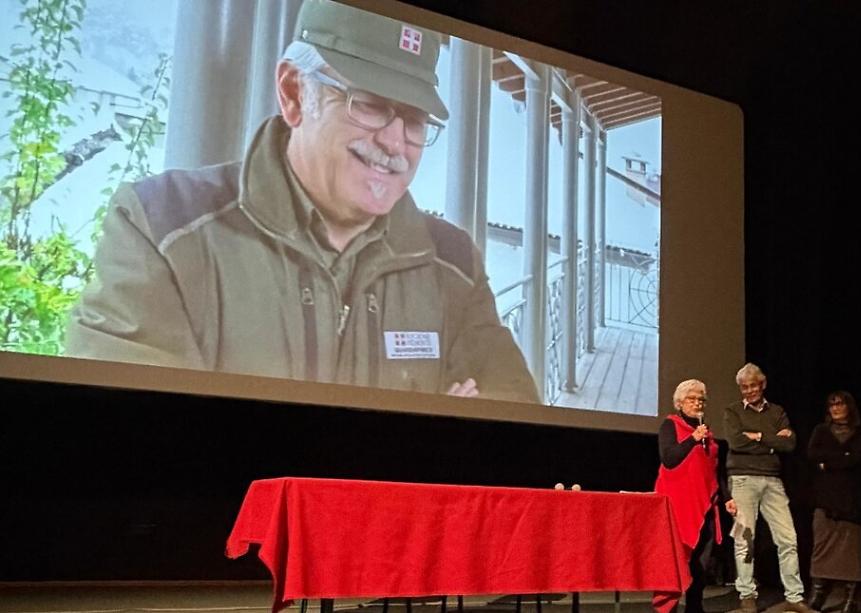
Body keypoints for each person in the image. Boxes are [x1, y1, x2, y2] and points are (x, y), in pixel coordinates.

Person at [64, 0, 539, 403]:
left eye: (415, 120)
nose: (396, 141)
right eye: (370, 104)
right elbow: (131, 440)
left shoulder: (452, 264)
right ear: (294, 93)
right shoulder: (161, 228)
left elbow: (511, 427)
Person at [723, 363, 814, 613]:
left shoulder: (777, 411)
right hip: (742, 479)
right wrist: (773, 439)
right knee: (745, 540)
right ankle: (747, 596)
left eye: (753, 385)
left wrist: (758, 436)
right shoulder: (732, 411)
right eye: (744, 387)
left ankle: (794, 597)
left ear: (762, 385)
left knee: (788, 539)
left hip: (773, 480)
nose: (749, 391)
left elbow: (791, 444)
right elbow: (736, 442)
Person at [654, 379, 728, 613]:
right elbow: (669, 459)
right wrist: (693, 439)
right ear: (680, 402)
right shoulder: (670, 425)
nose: (697, 403)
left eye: (701, 400)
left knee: (701, 564)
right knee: (674, 562)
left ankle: (695, 607)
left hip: (705, 504)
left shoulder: (707, 432)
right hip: (677, 505)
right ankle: (667, 608)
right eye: (692, 399)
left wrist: (727, 498)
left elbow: (714, 470)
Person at [805, 390, 861, 613]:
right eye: (832, 405)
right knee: (821, 546)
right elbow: (812, 454)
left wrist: (829, 461)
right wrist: (841, 457)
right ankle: (819, 594)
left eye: (840, 404)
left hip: (850, 500)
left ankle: (850, 598)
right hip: (825, 498)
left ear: (849, 407)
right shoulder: (821, 431)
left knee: (851, 550)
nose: (835, 408)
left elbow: (856, 458)